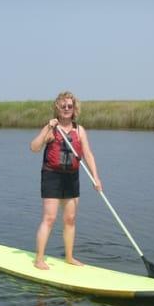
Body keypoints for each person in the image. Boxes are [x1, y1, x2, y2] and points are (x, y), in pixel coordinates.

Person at [30, 91, 102, 270]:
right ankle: (39, 259)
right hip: (52, 176)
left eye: (70, 106)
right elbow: (34, 147)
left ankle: (69, 257)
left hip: (71, 177)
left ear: (74, 108)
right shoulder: (52, 128)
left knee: (70, 219)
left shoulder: (79, 130)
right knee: (50, 218)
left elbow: (88, 154)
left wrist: (96, 177)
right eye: (63, 106)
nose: (66, 109)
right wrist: (47, 128)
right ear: (57, 107)